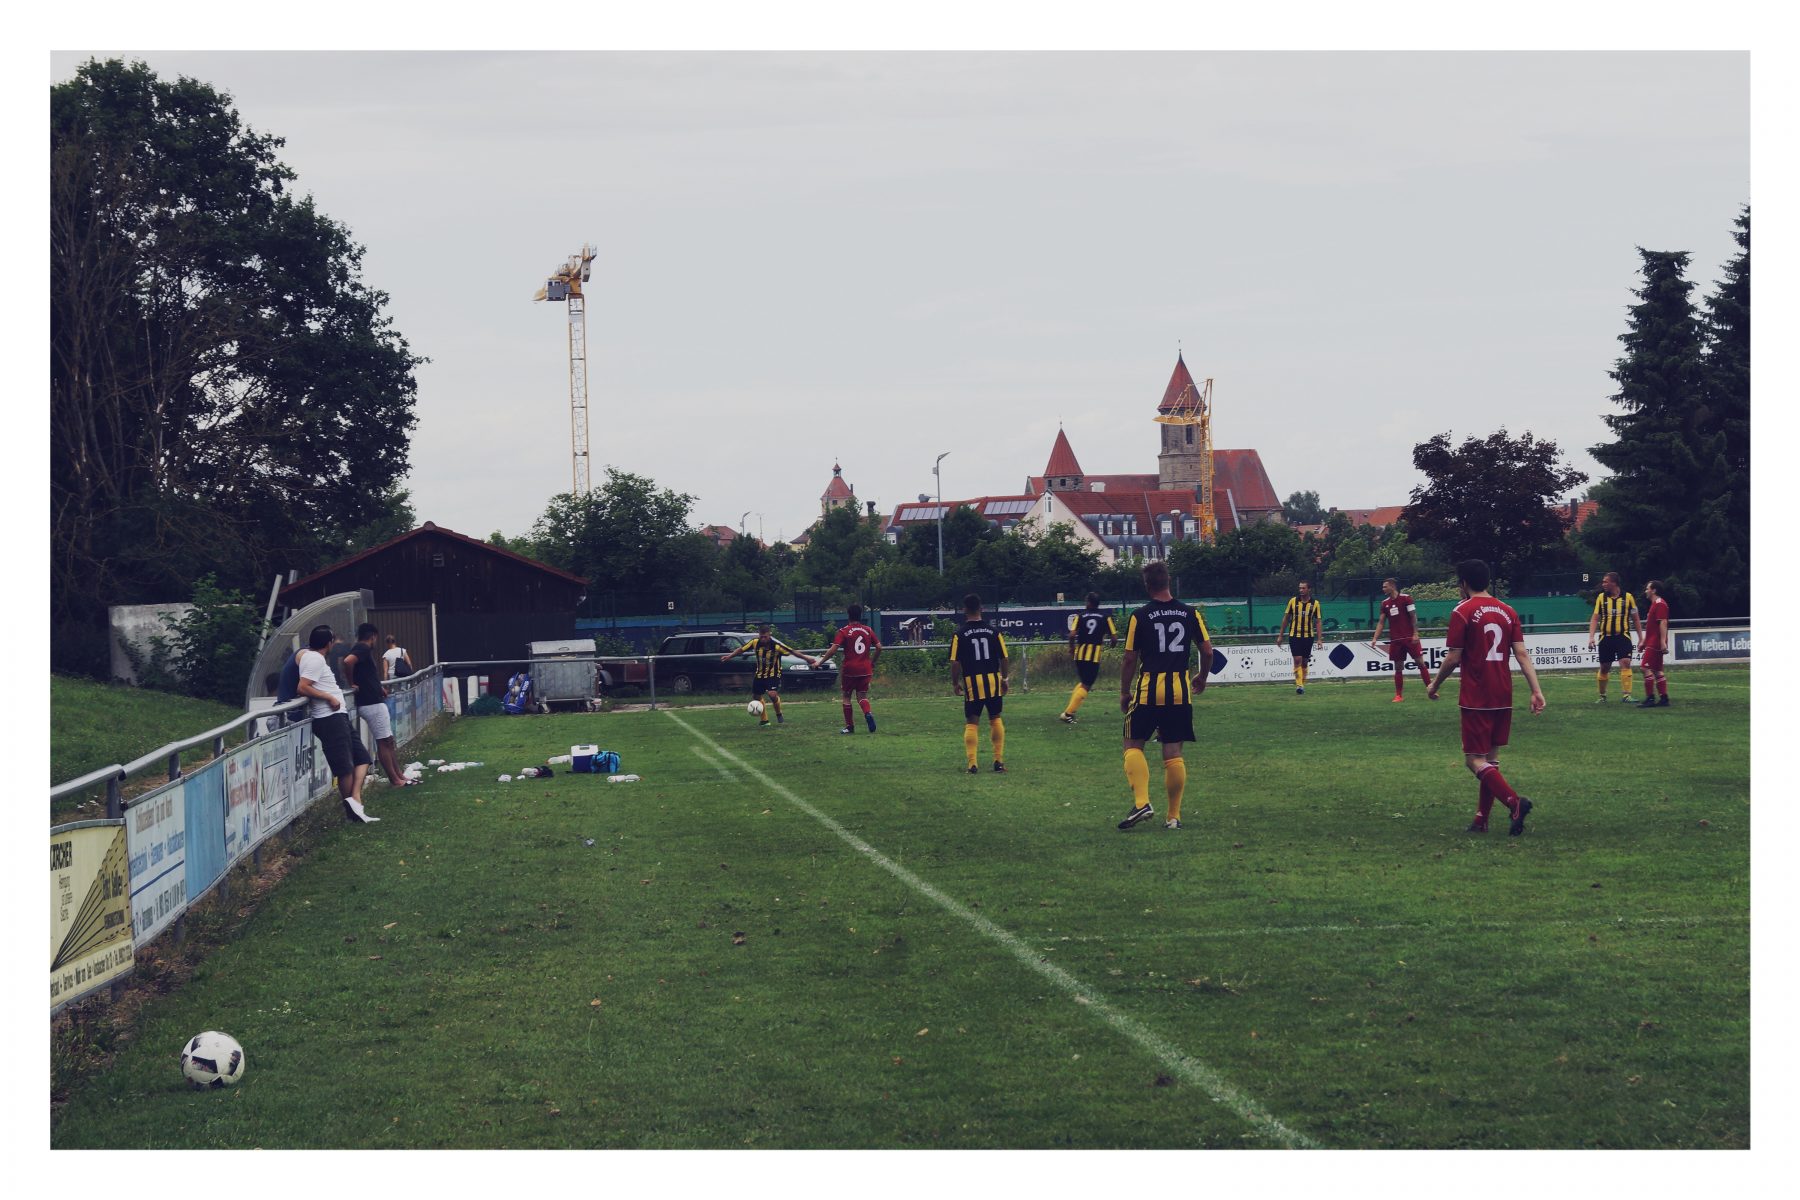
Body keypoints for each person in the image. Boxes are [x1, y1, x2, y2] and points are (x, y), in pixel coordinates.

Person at [1427, 559, 1546, 836]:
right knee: (1490, 761)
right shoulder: (1508, 611)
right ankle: (1481, 819)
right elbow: (1522, 654)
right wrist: (1536, 690)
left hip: (1476, 694)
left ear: (1464, 583)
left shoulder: (1462, 611)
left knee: (1473, 760)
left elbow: (1454, 657)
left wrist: (1434, 684)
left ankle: (1514, 803)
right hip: (1503, 693)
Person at [1117, 560, 1212, 831]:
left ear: (1147, 586)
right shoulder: (1190, 614)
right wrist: (1202, 677)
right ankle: (1173, 817)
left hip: (1149, 692)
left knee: (1133, 745)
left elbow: (1128, 658)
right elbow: (1207, 651)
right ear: (1168, 581)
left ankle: (1142, 801)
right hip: (1180, 692)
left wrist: (1124, 691)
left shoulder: (1140, 616)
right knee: (1173, 752)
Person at [296, 624, 379, 824]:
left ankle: (355, 800)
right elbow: (302, 687)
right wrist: (328, 697)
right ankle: (351, 811)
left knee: (363, 758)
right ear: (329, 643)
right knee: (345, 768)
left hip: (338, 716)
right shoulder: (314, 659)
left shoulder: (311, 656)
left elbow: (299, 658)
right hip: (329, 718)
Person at [344, 623, 413, 788]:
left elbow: (366, 675)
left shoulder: (362, 650)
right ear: (372, 636)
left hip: (374, 699)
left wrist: (379, 687)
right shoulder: (362, 649)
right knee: (384, 741)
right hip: (370, 703)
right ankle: (395, 779)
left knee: (389, 740)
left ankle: (399, 775)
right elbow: (348, 662)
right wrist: (351, 683)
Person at [949, 593, 1009, 773]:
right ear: (981, 608)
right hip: (992, 681)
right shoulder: (993, 632)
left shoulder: (959, 634)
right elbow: (1004, 657)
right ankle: (998, 762)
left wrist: (955, 683)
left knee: (972, 722)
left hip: (972, 683)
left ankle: (972, 764)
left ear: (964, 610)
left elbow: (955, 662)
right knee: (995, 718)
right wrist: (1004, 678)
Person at [721, 625, 816, 727]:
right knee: (756, 697)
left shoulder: (776, 646)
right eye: (761, 636)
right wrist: (729, 656)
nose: (763, 639)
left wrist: (807, 659)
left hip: (773, 674)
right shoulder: (755, 642)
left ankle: (779, 714)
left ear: (769, 635)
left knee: (772, 695)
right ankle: (765, 720)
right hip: (760, 675)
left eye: (765, 637)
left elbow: (792, 651)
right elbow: (741, 650)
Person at [813, 604, 882, 733]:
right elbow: (879, 647)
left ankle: (850, 727)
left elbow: (833, 649)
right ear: (860, 616)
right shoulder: (868, 630)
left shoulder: (844, 631)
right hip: (865, 669)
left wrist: (820, 662)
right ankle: (867, 713)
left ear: (848, 615)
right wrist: (872, 662)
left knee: (846, 696)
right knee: (862, 695)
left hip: (850, 669)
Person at [1060, 592, 1118, 724]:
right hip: (1093, 656)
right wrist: (1112, 645)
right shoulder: (1105, 617)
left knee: (1083, 682)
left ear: (1089, 603)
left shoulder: (1080, 616)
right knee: (1086, 684)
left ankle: (1070, 711)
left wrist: (1071, 648)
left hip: (1080, 654)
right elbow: (1114, 637)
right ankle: (1068, 713)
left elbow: (1071, 635)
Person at [1371, 577, 1432, 702]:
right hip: (1396, 640)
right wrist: (1375, 638)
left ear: (1392, 586)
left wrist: (1415, 633)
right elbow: (1381, 622)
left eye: (1385, 586)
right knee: (1398, 667)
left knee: (1420, 663)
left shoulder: (1406, 598)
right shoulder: (1385, 604)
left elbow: (1413, 616)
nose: (1383, 589)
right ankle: (1398, 695)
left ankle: (1431, 689)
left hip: (1410, 638)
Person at [1587, 570, 1643, 703]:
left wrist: (1641, 638)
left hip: (1623, 636)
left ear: (1614, 583)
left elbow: (1636, 619)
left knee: (1625, 662)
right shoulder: (1601, 598)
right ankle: (1602, 695)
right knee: (1605, 667)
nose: (1603, 584)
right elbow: (1595, 618)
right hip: (1606, 638)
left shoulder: (1628, 597)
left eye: (1606, 581)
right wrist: (1591, 637)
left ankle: (1626, 695)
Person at [1276, 581, 1325, 694]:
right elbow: (1286, 619)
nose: (1301, 590)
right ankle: (1299, 685)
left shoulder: (1315, 604)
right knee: (1297, 659)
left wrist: (1319, 639)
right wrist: (1280, 636)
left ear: (1309, 589)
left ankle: (1301, 684)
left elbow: (1318, 622)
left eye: (1303, 588)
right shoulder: (1293, 601)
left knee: (1304, 662)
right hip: (1294, 635)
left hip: (1308, 636)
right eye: (1300, 588)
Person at [1638, 579, 1672, 708]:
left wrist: (1662, 642)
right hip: (1652, 641)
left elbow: (1663, 622)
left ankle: (1650, 698)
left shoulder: (1659, 604)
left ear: (1654, 590)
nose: (1646, 591)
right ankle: (1664, 698)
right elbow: (1651, 627)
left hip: (1656, 642)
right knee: (1657, 670)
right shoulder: (1654, 604)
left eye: (1647, 588)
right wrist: (1644, 642)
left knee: (1645, 667)